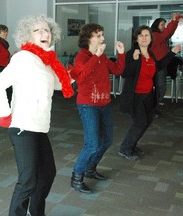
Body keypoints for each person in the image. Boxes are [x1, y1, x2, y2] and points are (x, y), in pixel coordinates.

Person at [0, 15, 74, 216]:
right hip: (23, 126)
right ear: (28, 35)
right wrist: (5, 114)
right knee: (28, 180)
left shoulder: (45, 60)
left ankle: (35, 212)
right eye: (39, 30)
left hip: (39, 126)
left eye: (47, 30)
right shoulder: (23, 58)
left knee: (47, 174)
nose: (45, 33)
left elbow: (54, 85)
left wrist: (71, 75)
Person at [69, 23, 125, 193]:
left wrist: (121, 54)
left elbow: (117, 70)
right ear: (88, 39)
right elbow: (81, 78)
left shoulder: (102, 56)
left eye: (102, 34)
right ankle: (77, 177)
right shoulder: (81, 57)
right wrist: (96, 57)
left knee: (106, 140)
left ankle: (91, 169)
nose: (102, 38)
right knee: (92, 144)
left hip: (104, 104)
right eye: (98, 35)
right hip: (88, 105)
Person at [119, 25, 181, 160]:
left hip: (148, 95)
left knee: (147, 121)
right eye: (141, 35)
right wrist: (135, 60)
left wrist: (172, 53)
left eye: (147, 35)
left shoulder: (150, 53)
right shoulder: (132, 53)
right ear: (136, 38)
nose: (144, 38)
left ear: (151, 38)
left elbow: (158, 67)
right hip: (135, 95)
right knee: (140, 122)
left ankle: (132, 145)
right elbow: (125, 73)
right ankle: (125, 148)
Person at [150, 13, 181, 109]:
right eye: (162, 24)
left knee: (160, 86)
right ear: (156, 26)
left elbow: (170, 33)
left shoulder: (160, 36)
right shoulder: (155, 35)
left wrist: (175, 22)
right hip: (157, 65)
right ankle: (154, 103)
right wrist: (174, 21)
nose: (164, 26)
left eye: (164, 24)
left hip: (162, 64)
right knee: (160, 86)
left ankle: (155, 102)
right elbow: (167, 32)